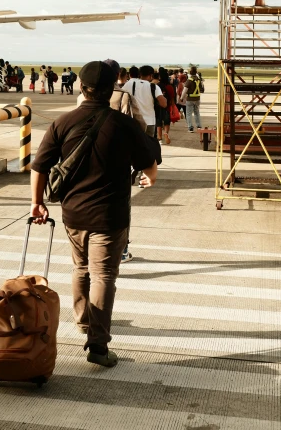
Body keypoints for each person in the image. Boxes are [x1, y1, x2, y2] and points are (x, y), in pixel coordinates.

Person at [30, 60, 158, 368]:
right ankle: (98, 346)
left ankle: (84, 322)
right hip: (110, 216)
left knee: (81, 269)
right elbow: (149, 164)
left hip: (73, 214)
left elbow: (39, 167)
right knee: (104, 275)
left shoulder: (63, 122)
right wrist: (149, 178)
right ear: (113, 86)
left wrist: (37, 202)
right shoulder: (125, 125)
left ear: (81, 87)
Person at [122, 65, 167, 138]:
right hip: (149, 121)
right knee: (148, 146)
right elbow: (164, 104)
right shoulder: (154, 87)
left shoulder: (129, 84)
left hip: (134, 121)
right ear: (151, 75)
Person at [156, 67, 175, 145]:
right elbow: (172, 99)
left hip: (158, 106)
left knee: (159, 123)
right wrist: (173, 108)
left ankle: (159, 139)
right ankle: (166, 133)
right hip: (167, 106)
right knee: (167, 122)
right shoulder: (170, 87)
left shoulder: (157, 86)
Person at [182, 65, 204, 132]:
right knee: (197, 112)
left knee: (188, 114)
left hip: (190, 99)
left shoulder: (189, 81)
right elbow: (201, 89)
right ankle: (199, 126)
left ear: (190, 72)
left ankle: (190, 127)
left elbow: (184, 91)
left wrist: (181, 97)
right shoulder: (199, 80)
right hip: (197, 98)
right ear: (196, 72)